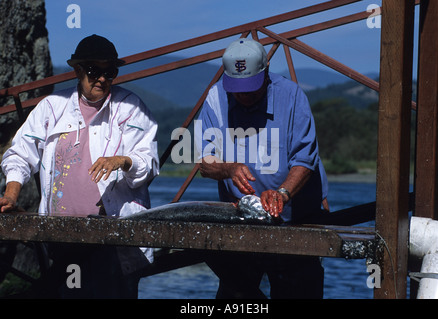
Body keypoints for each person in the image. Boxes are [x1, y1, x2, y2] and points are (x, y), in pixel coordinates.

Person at [0, 34, 159, 298]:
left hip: (115, 237)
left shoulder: (132, 108)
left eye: (110, 72)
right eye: (94, 70)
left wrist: (124, 160)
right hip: (59, 238)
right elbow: (20, 153)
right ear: (77, 70)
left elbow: (149, 162)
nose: (102, 79)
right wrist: (11, 195)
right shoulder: (51, 107)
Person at [196, 38, 327, 299]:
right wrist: (229, 168)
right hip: (242, 222)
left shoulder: (292, 96)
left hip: (297, 219)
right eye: (237, 89)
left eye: (251, 89)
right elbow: (204, 164)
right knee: (236, 296)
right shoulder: (214, 98)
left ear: (266, 72)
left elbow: (304, 160)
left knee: (298, 290)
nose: (244, 96)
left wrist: (282, 193)